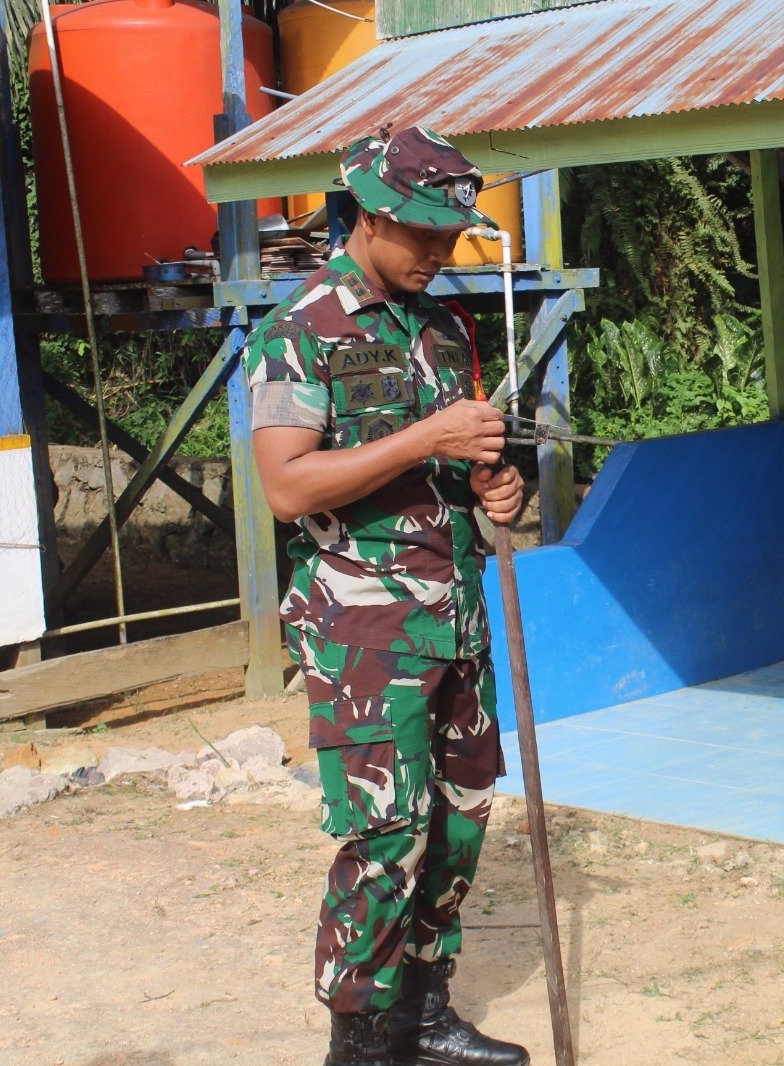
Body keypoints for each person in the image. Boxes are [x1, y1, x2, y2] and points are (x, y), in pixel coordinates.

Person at [243, 125, 530, 1066]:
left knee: (459, 817)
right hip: (365, 629)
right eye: (425, 235)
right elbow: (288, 486)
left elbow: (465, 464)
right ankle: (361, 1040)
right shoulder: (301, 332)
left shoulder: (446, 329)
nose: (442, 254)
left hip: (456, 615)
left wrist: (497, 488)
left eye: (453, 236)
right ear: (371, 215)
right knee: (385, 833)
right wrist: (426, 442)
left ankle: (425, 1012)